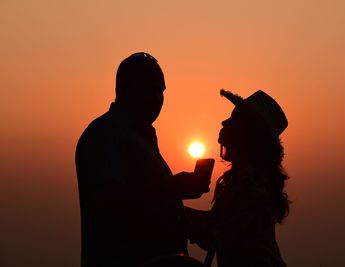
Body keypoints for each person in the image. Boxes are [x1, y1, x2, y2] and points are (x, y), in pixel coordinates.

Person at [75, 52, 211, 267]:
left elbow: (146, 206)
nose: (157, 99)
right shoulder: (105, 133)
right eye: (149, 89)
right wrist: (170, 188)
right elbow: (106, 201)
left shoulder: (139, 136)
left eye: (161, 91)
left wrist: (192, 221)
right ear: (126, 89)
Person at [185, 89, 290, 267]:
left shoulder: (251, 182)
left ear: (249, 134)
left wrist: (172, 212)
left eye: (234, 120)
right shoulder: (251, 177)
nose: (224, 122)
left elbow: (213, 232)